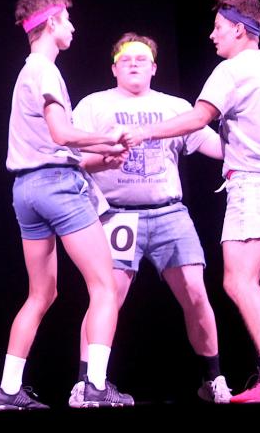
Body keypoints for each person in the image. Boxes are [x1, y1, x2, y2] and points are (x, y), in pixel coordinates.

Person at [128, 0, 260, 402]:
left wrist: (147, 132)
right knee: (251, 281)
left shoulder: (230, 70)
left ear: (239, 29)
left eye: (218, 28)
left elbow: (200, 118)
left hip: (252, 186)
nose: (212, 35)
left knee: (237, 281)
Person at [68, 32, 231, 406]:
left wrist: (250, 143)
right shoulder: (94, 106)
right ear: (113, 68)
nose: (134, 63)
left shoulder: (176, 107)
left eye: (142, 58)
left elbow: (211, 145)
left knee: (195, 291)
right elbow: (70, 153)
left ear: (155, 67)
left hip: (169, 213)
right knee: (106, 296)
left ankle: (213, 378)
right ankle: (86, 383)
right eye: (126, 58)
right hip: (117, 216)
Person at [0, 0, 134, 410]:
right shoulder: (46, 70)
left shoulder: (26, 72)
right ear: (52, 24)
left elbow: (49, 146)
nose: (73, 27)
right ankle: (94, 386)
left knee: (41, 294)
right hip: (56, 186)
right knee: (105, 286)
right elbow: (61, 134)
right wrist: (107, 138)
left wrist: (99, 159)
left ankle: (9, 390)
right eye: (68, 20)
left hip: (26, 191)